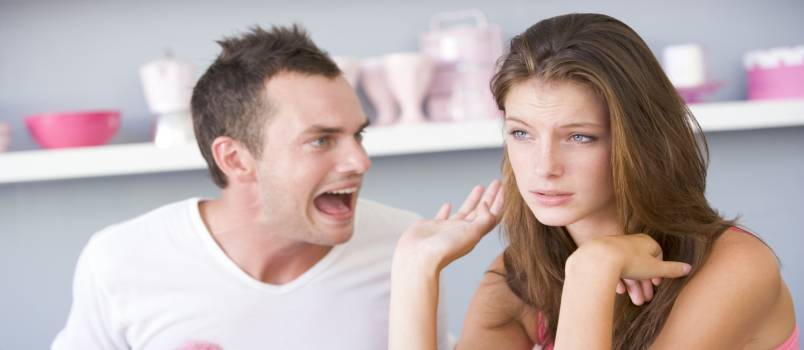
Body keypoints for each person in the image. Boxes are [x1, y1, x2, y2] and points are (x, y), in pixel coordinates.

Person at [389, 13, 798, 350]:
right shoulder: (524, 274)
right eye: (521, 133)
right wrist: (415, 267)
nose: (543, 166)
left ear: (639, 142)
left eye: (579, 137)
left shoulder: (734, 266)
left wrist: (591, 270)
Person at [53, 25, 450, 349]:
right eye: (321, 140)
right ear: (235, 159)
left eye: (357, 135)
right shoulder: (121, 260)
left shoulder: (404, 248)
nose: (360, 162)